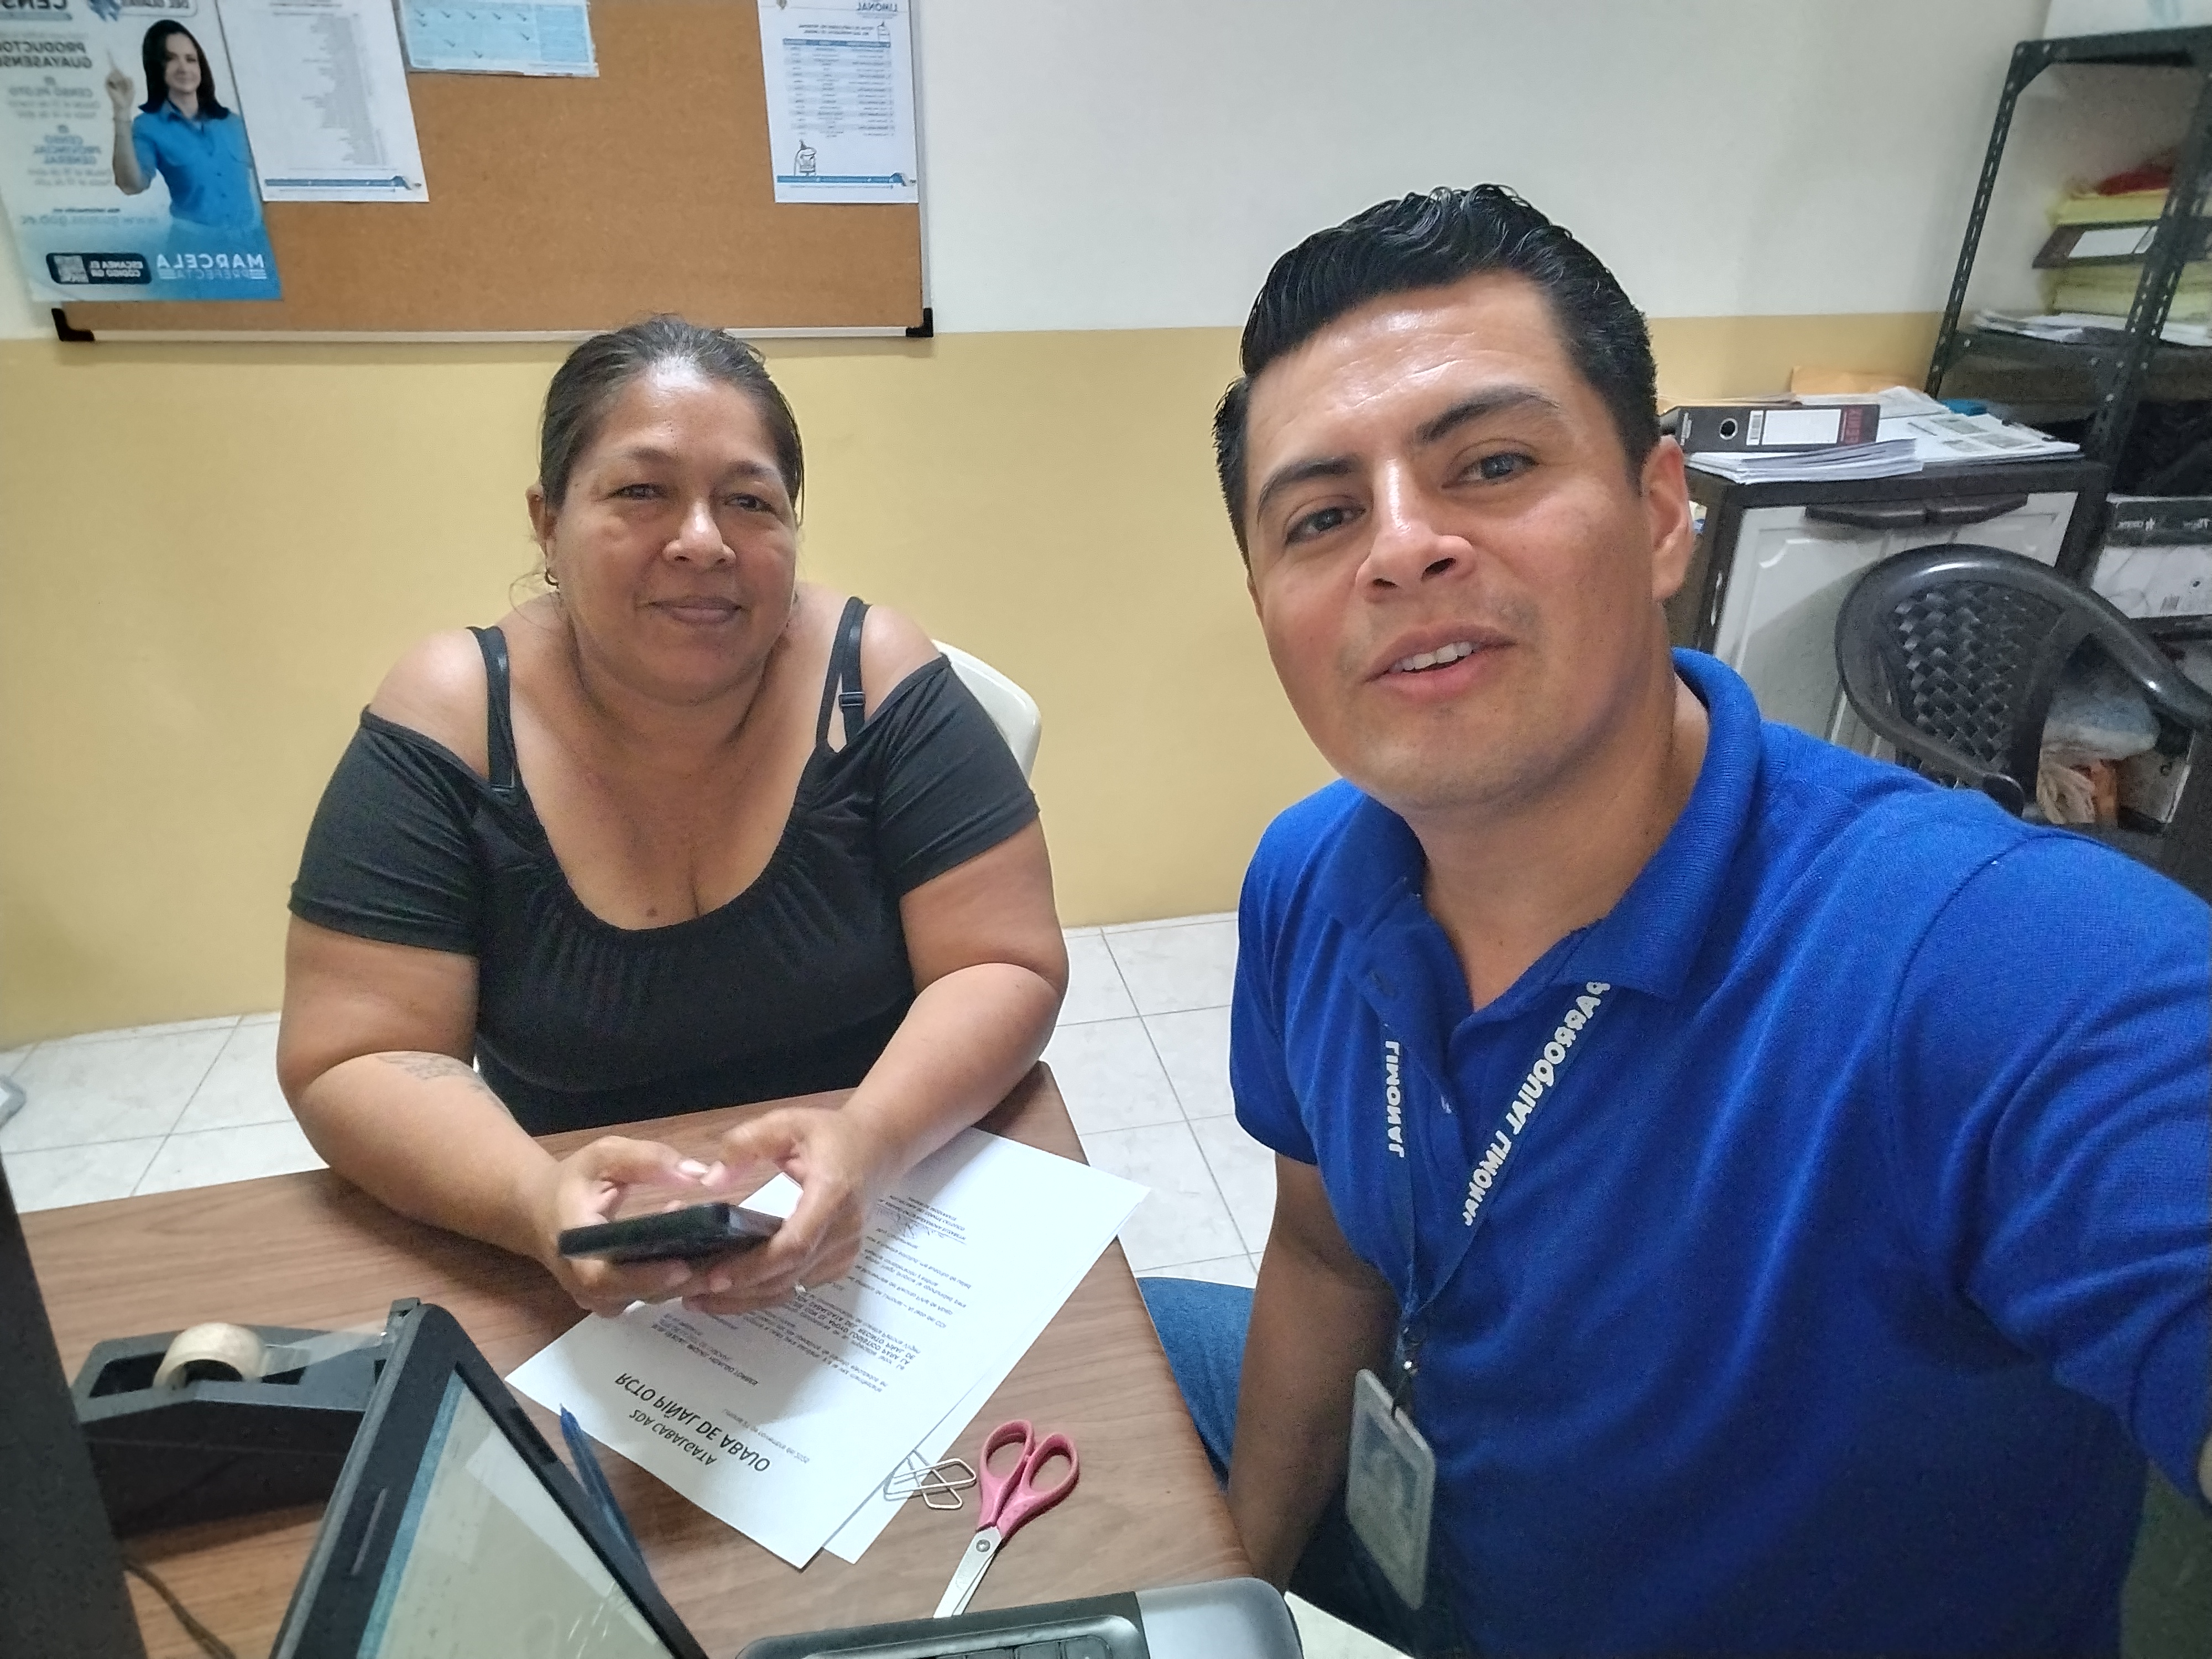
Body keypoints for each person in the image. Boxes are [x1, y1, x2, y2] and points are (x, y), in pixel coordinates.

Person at [1142, 186, 2211, 1657]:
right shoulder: (1311, 876)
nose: (1402, 547)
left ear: (1659, 517)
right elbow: (1331, 1261)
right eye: (1322, 518)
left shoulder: (2009, 965)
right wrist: (1238, 1601)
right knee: (1121, 1336)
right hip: (1440, 1539)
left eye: (1492, 464)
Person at [279, 317, 1066, 1324]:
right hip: (576, 1271)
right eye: (641, 492)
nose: (702, 540)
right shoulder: (454, 716)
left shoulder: (873, 675)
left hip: (880, 1234)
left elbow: (1003, 961)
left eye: (749, 501)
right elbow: (352, 1055)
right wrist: (532, 1201)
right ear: (548, 521)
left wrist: (870, 1141)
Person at [105, 21, 260, 232]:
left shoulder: (233, 123)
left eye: (191, 59)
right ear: (157, 67)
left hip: (250, 242)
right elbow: (131, 185)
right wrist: (121, 112)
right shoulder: (149, 127)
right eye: (170, 59)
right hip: (192, 243)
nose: (184, 68)